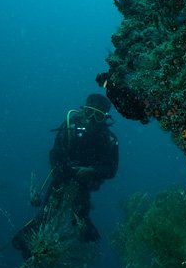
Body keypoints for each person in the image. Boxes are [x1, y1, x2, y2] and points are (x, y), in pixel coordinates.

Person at [12, 93, 119, 259]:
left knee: (81, 216)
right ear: (83, 111)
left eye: (97, 116)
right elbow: (55, 154)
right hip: (62, 179)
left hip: (85, 183)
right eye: (89, 112)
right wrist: (64, 169)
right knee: (46, 215)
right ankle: (26, 244)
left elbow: (111, 169)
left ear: (104, 118)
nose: (91, 119)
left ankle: (84, 240)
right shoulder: (70, 127)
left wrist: (91, 171)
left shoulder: (108, 139)